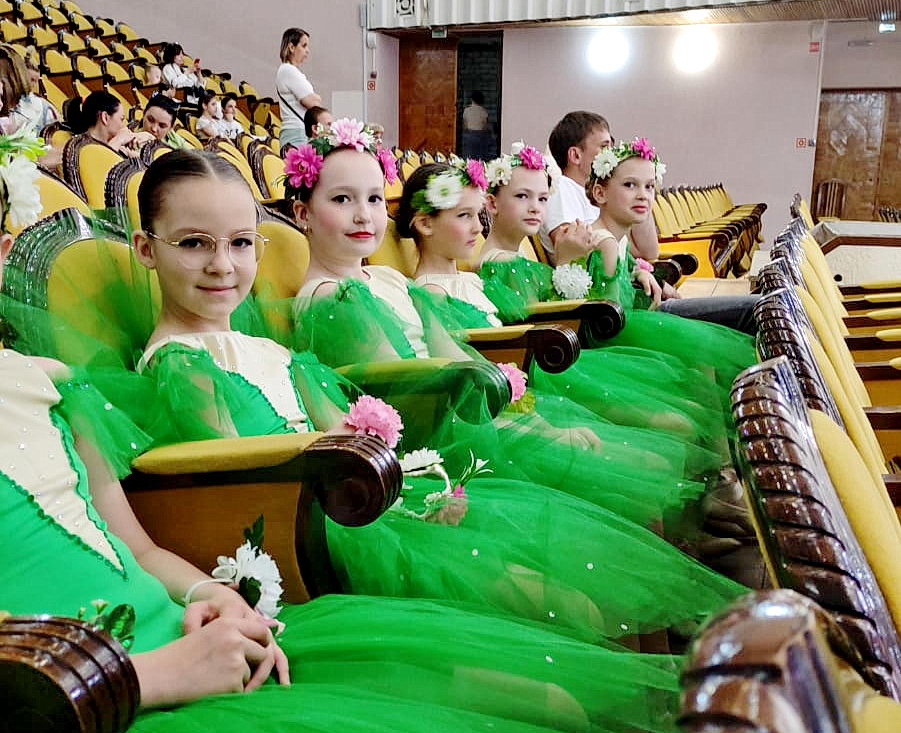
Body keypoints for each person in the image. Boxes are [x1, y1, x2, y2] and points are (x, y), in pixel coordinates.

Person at [0, 132, 696, 733]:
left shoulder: (84, 380)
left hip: (321, 548)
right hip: (317, 544)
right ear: (146, 250)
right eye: (193, 245)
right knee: (551, 662)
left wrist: (416, 487)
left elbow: (148, 543)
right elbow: (244, 480)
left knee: (575, 618)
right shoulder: (177, 366)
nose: (222, 265)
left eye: (240, 243)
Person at [410, 149, 731, 456]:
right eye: (522, 196)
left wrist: (633, 269)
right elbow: (530, 320)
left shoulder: (479, 274)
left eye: (542, 199)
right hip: (543, 367)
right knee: (679, 413)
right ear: (493, 204)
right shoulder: (490, 267)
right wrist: (566, 262)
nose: (535, 208)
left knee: (690, 392)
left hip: (551, 358)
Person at [539, 111, 758, 335]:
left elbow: (646, 252)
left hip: (632, 306)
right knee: (753, 311)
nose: (612, 153)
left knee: (756, 308)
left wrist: (638, 270)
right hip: (621, 320)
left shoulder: (608, 214)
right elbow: (573, 252)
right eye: (605, 147)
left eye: (650, 186)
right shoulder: (563, 190)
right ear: (575, 155)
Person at [65, 90, 154, 158]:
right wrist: (119, 139)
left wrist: (147, 138)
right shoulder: (82, 148)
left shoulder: (117, 146)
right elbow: (100, 162)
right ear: (105, 117)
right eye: (121, 119)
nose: (123, 126)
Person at [276, 27, 321, 150]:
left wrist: (315, 98)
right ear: (291, 47)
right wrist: (316, 97)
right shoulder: (288, 70)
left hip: (298, 130)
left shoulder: (290, 71)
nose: (307, 51)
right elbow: (313, 102)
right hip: (296, 132)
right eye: (304, 46)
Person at [161, 42, 204, 107]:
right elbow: (174, 84)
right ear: (171, 56)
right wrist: (187, 73)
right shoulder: (167, 68)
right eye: (178, 54)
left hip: (194, 99)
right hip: (180, 100)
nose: (182, 56)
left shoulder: (184, 69)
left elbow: (199, 87)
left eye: (182, 54)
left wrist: (199, 73)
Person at [462, 91, 492, 160]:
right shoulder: (483, 111)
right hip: (480, 135)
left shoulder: (467, 110)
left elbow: (465, 125)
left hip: (469, 134)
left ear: (472, 99)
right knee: (480, 155)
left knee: (468, 155)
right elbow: (485, 126)